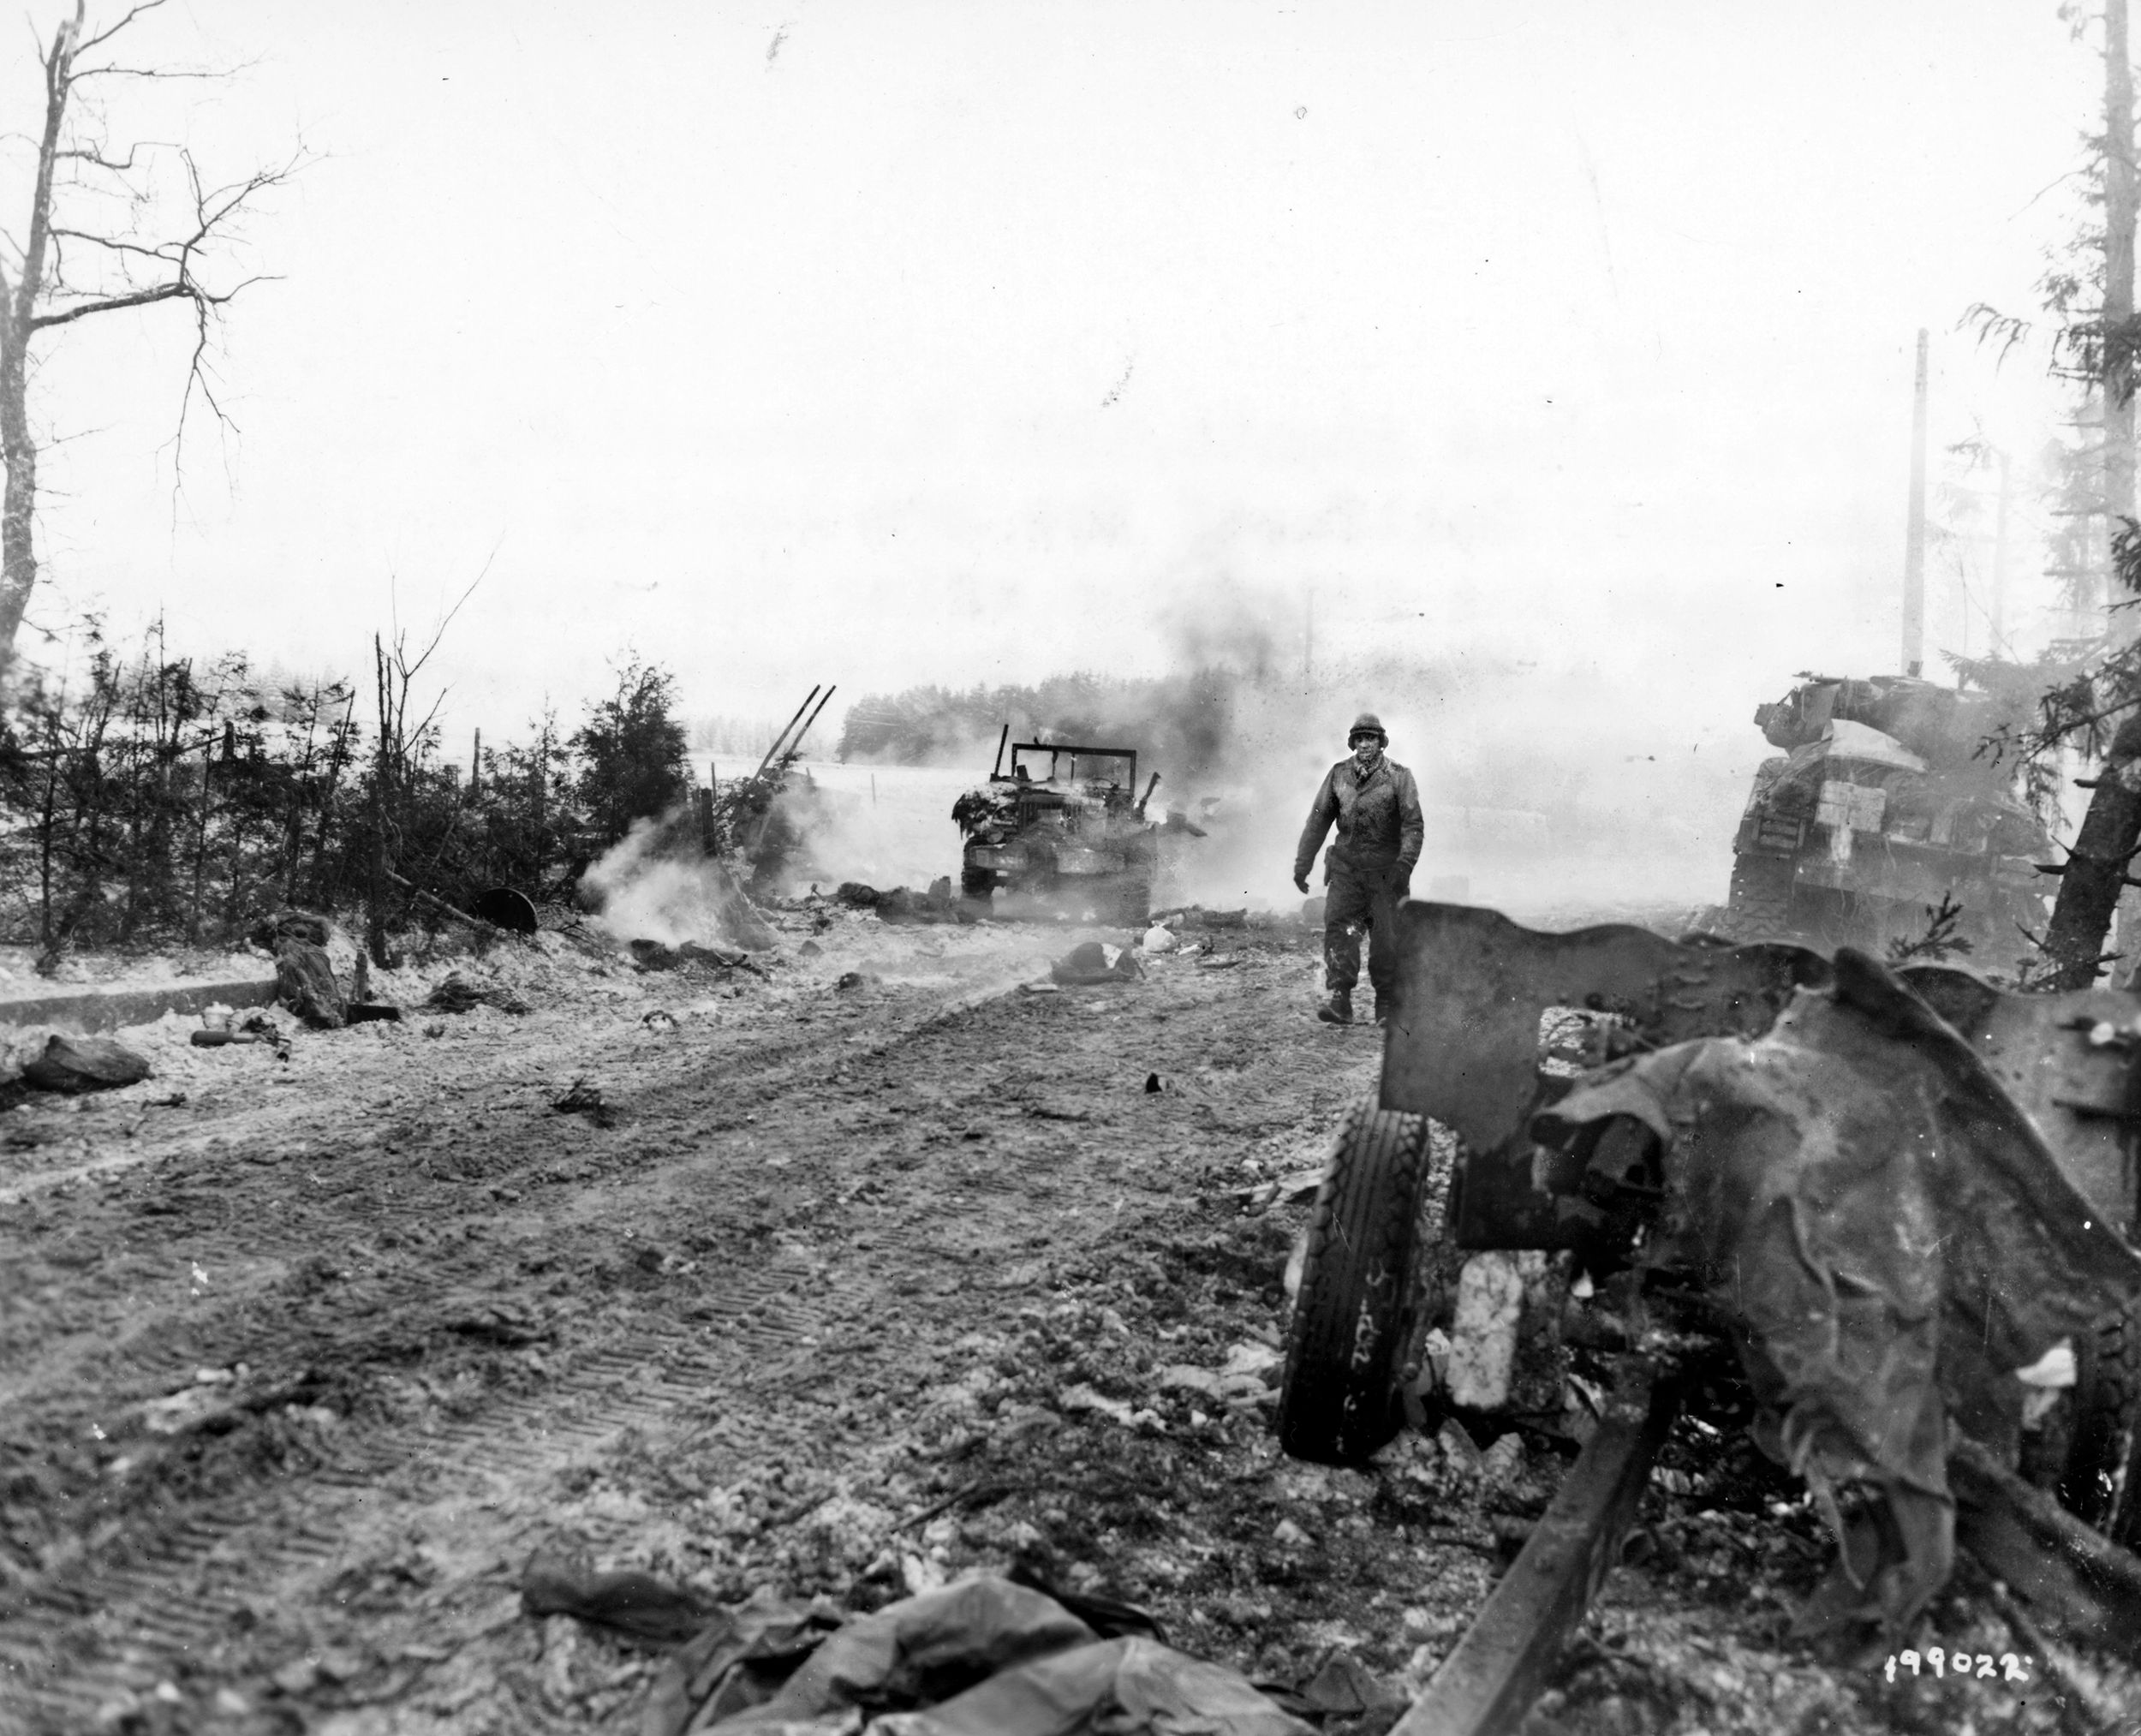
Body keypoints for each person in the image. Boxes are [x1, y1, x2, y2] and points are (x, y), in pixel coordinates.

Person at [1293, 713, 1422, 1025]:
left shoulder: (1399, 776)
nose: (1365, 744)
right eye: (1360, 738)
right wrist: (1303, 863)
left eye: (1371, 738)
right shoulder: (1338, 775)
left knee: (1386, 940)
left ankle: (1386, 1005)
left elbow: (1413, 825)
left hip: (1385, 873)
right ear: (1353, 743)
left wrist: (1404, 865)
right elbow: (1318, 820)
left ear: (1381, 742)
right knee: (1339, 932)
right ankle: (1341, 1000)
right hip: (1346, 870)